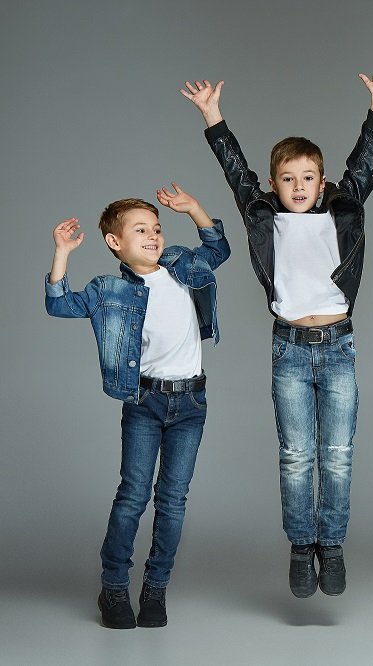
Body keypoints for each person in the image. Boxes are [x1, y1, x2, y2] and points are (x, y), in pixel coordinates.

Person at [181, 73, 373, 597]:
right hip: (289, 350)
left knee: (338, 454)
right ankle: (301, 547)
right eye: (287, 178)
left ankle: (334, 544)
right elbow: (237, 172)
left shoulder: (342, 210)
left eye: (308, 178)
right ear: (274, 186)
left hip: (339, 347)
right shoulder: (262, 216)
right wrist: (212, 115)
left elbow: (364, 164)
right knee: (297, 455)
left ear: (323, 184)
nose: (299, 186)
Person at [45, 185, 230, 628]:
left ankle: (155, 589)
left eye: (157, 228)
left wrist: (194, 210)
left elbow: (218, 247)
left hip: (191, 402)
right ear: (116, 243)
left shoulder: (184, 265)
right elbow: (58, 304)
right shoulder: (108, 289)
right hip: (145, 402)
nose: (153, 236)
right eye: (140, 230)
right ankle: (113, 588)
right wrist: (62, 252)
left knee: (172, 501)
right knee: (132, 496)